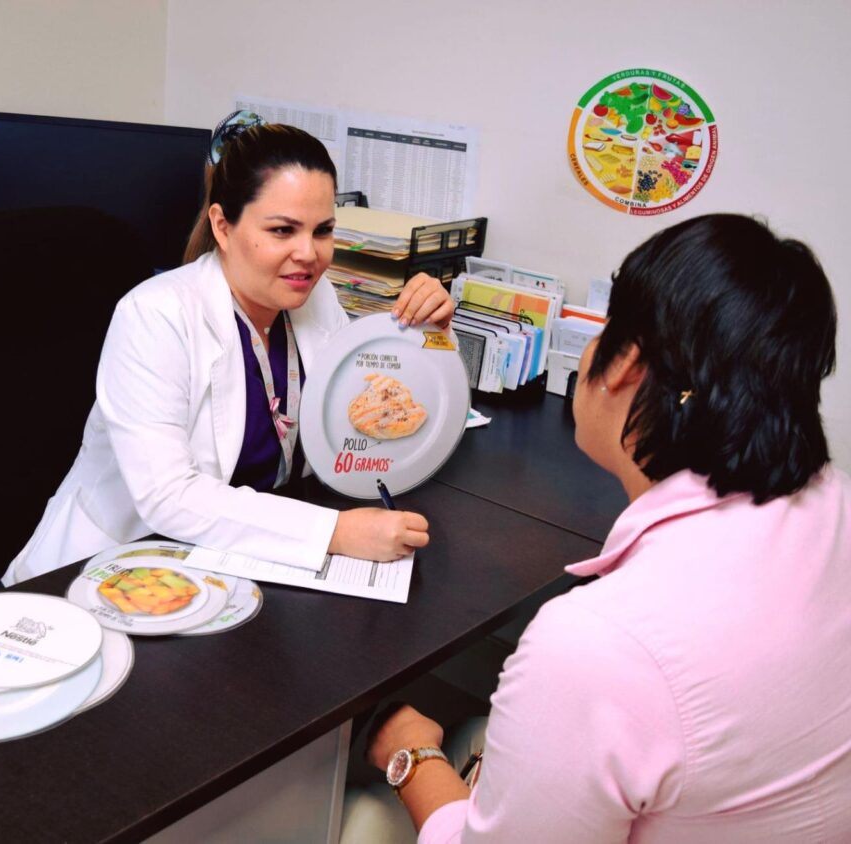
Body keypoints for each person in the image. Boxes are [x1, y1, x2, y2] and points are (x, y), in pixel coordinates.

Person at [347, 213, 851, 842]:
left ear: (625, 365)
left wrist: (411, 753)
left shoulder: (599, 645)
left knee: (360, 816)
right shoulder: (832, 510)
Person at [2, 112, 454, 585]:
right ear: (222, 226)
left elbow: (364, 421)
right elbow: (168, 496)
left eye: (322, 230)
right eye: (283, 230)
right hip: (114, 568)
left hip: (233, 564)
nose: (309, 253)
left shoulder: (312, 297)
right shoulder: (155, 316)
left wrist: (428, 340)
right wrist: (333, 531)